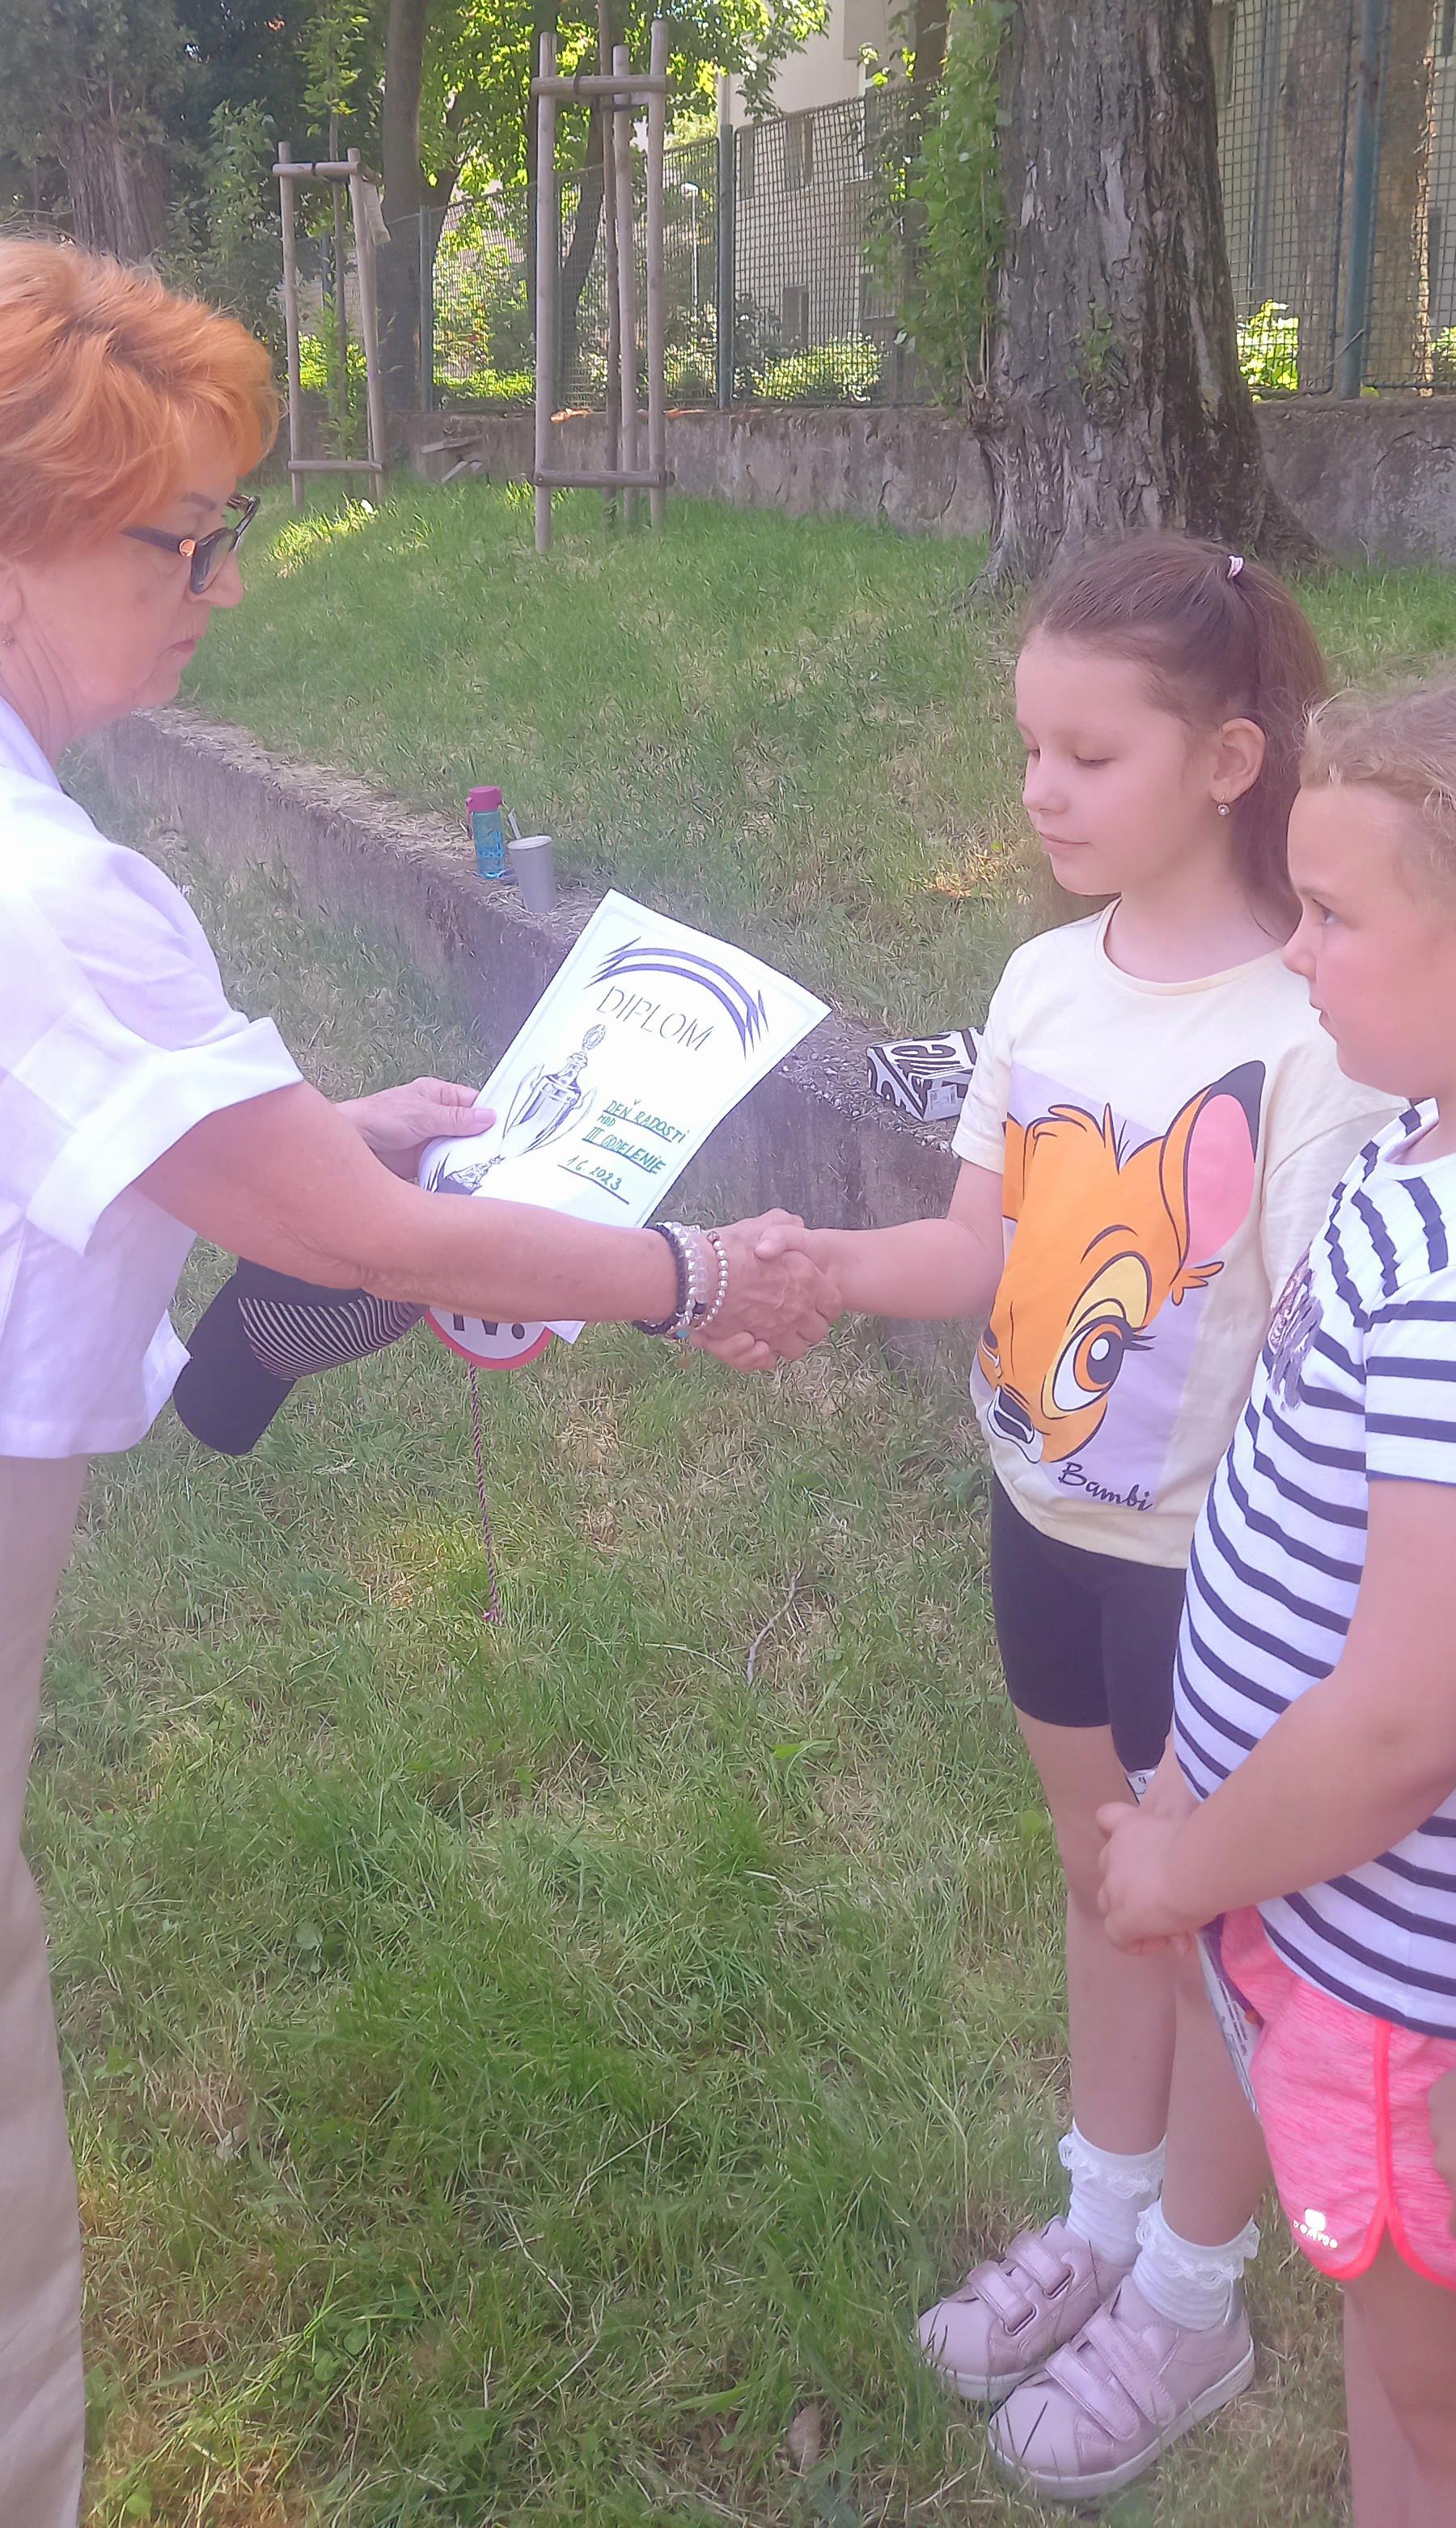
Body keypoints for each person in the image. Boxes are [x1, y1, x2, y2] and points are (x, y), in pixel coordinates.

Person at [0, 237, 838, 2528]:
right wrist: (686, 1269)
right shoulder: (54, 898)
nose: (225, 586)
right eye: (182, 541)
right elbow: (365, 1242)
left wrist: (301, 1140)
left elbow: (188, 1163)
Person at [716, 537, 1396, 2500]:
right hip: (1044, 1527)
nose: (1040, 791)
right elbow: (981, 1251)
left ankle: (1190, 2294)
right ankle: (1102, 2216)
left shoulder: (1313, 1032)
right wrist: (819, 1267)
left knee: (1212, 1924)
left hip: (1223, 1586)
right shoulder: (1040, 981)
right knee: (1106, 1882)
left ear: (1230, 760)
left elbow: (1321, 1366)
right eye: (1030, 747)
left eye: (1091, 757)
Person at [1098, 681, 1456, 2528]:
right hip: (1332, 1933)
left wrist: (1189, 1861)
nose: (1295, 951)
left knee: (1441, 2390)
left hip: (1398, 1994)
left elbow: (1402, 1724)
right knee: (1398, 2375)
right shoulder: (1419, 1142)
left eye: (1332, 915)